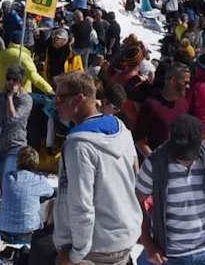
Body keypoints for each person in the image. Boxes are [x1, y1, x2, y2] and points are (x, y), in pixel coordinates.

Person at [53, 69, 142, 265]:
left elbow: (81, 204)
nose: (55, 103)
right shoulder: (120, 127)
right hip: (124, 237)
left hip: (95, 249)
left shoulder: (79, 145)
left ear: (78, 99)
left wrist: (75, 254)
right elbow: (135, 172)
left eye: (60, 97)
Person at [136, 113, 205, 265]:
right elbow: (136, 201)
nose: (184, 159)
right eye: (180, 153)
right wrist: (148, 243)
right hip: (170, 255)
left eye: (189, 153)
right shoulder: (155, 164)